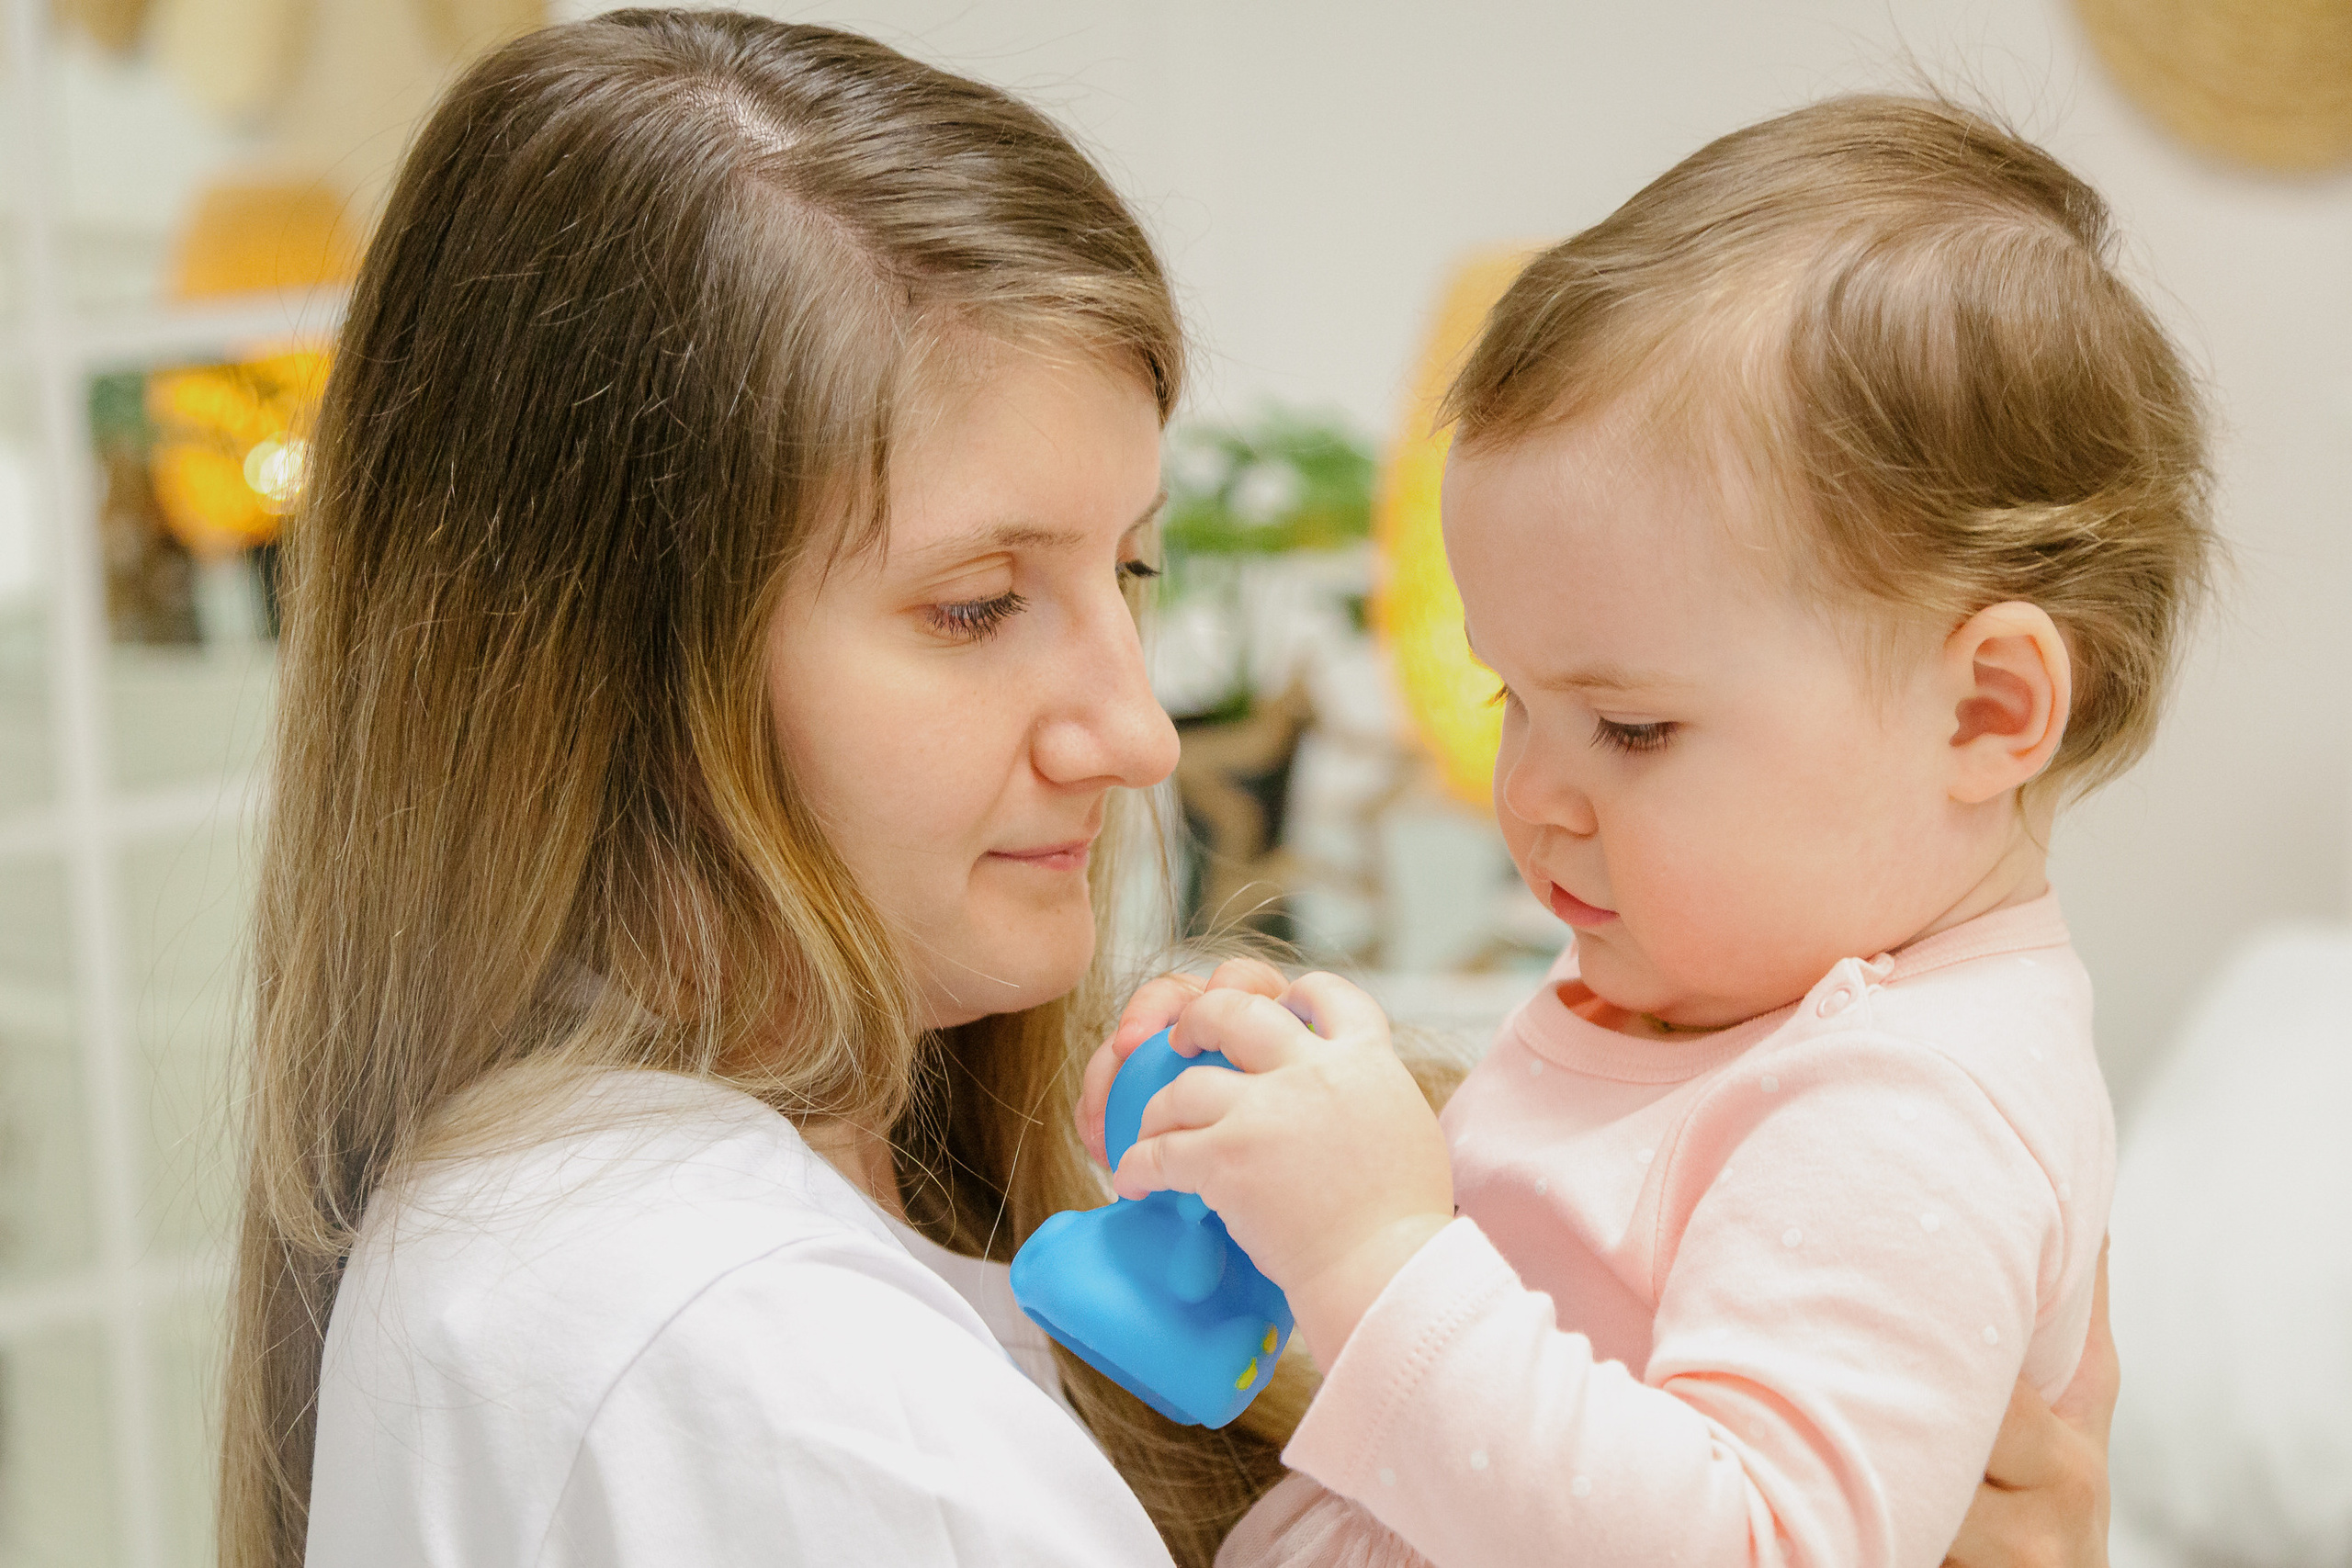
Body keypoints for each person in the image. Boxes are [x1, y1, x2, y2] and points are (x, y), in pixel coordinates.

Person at [209, 14, 2122, 1563]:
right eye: (974, 605)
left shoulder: (595, 1244)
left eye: (1122, 573)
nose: (1130, 729)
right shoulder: (745, 1364)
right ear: (599, 665)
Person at [1089, 96, 2208, 1568]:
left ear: (1988, 711)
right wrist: (1303, 1145)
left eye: (1631, 729)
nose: (1533, 794)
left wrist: (1375, 1252)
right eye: (1514, 699)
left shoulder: (1904, 1109)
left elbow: (1737, 1541)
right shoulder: (1722, 996)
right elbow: (1527, 1389)